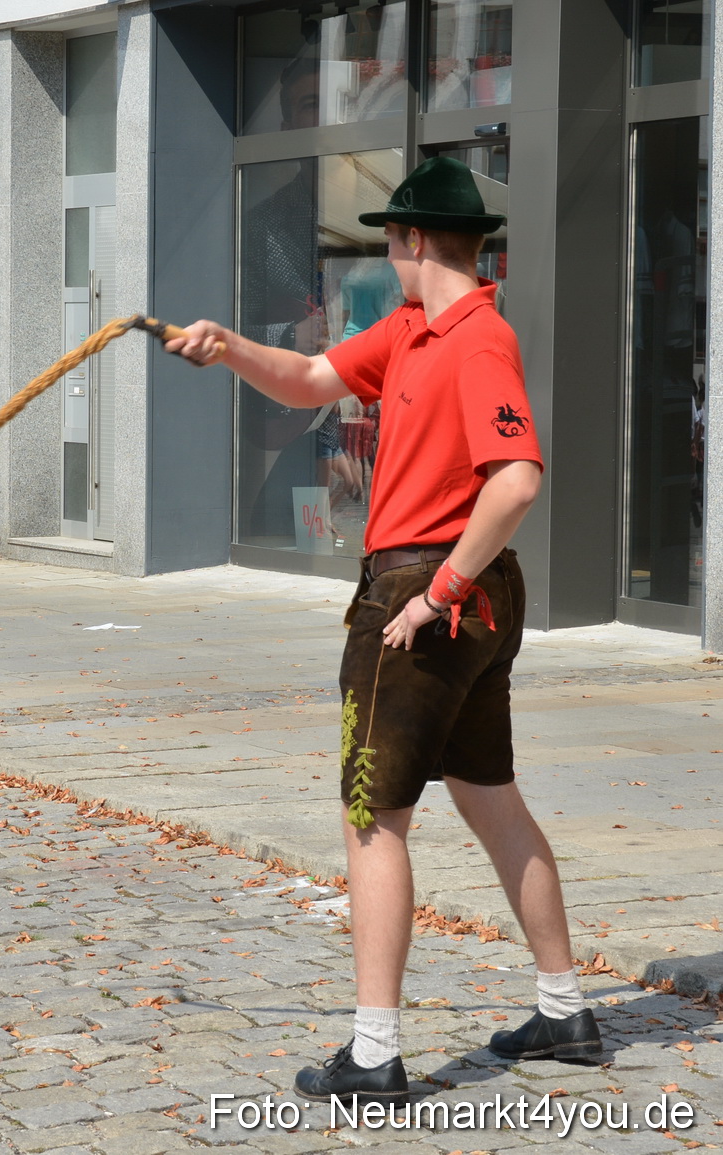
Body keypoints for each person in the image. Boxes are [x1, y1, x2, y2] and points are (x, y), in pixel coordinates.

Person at [167, 157, 595, 1103]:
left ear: (410, 242)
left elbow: (517, 478)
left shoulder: (479, 338)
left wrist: (436, 592)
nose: (389, 252)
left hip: (424, 592)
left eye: (390, 240)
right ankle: (566, 1008)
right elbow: (314, 377)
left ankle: (373, 1053)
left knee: (373, 817)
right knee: (491, 795)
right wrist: (228, 345)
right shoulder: (411, 328)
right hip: (461, 592)